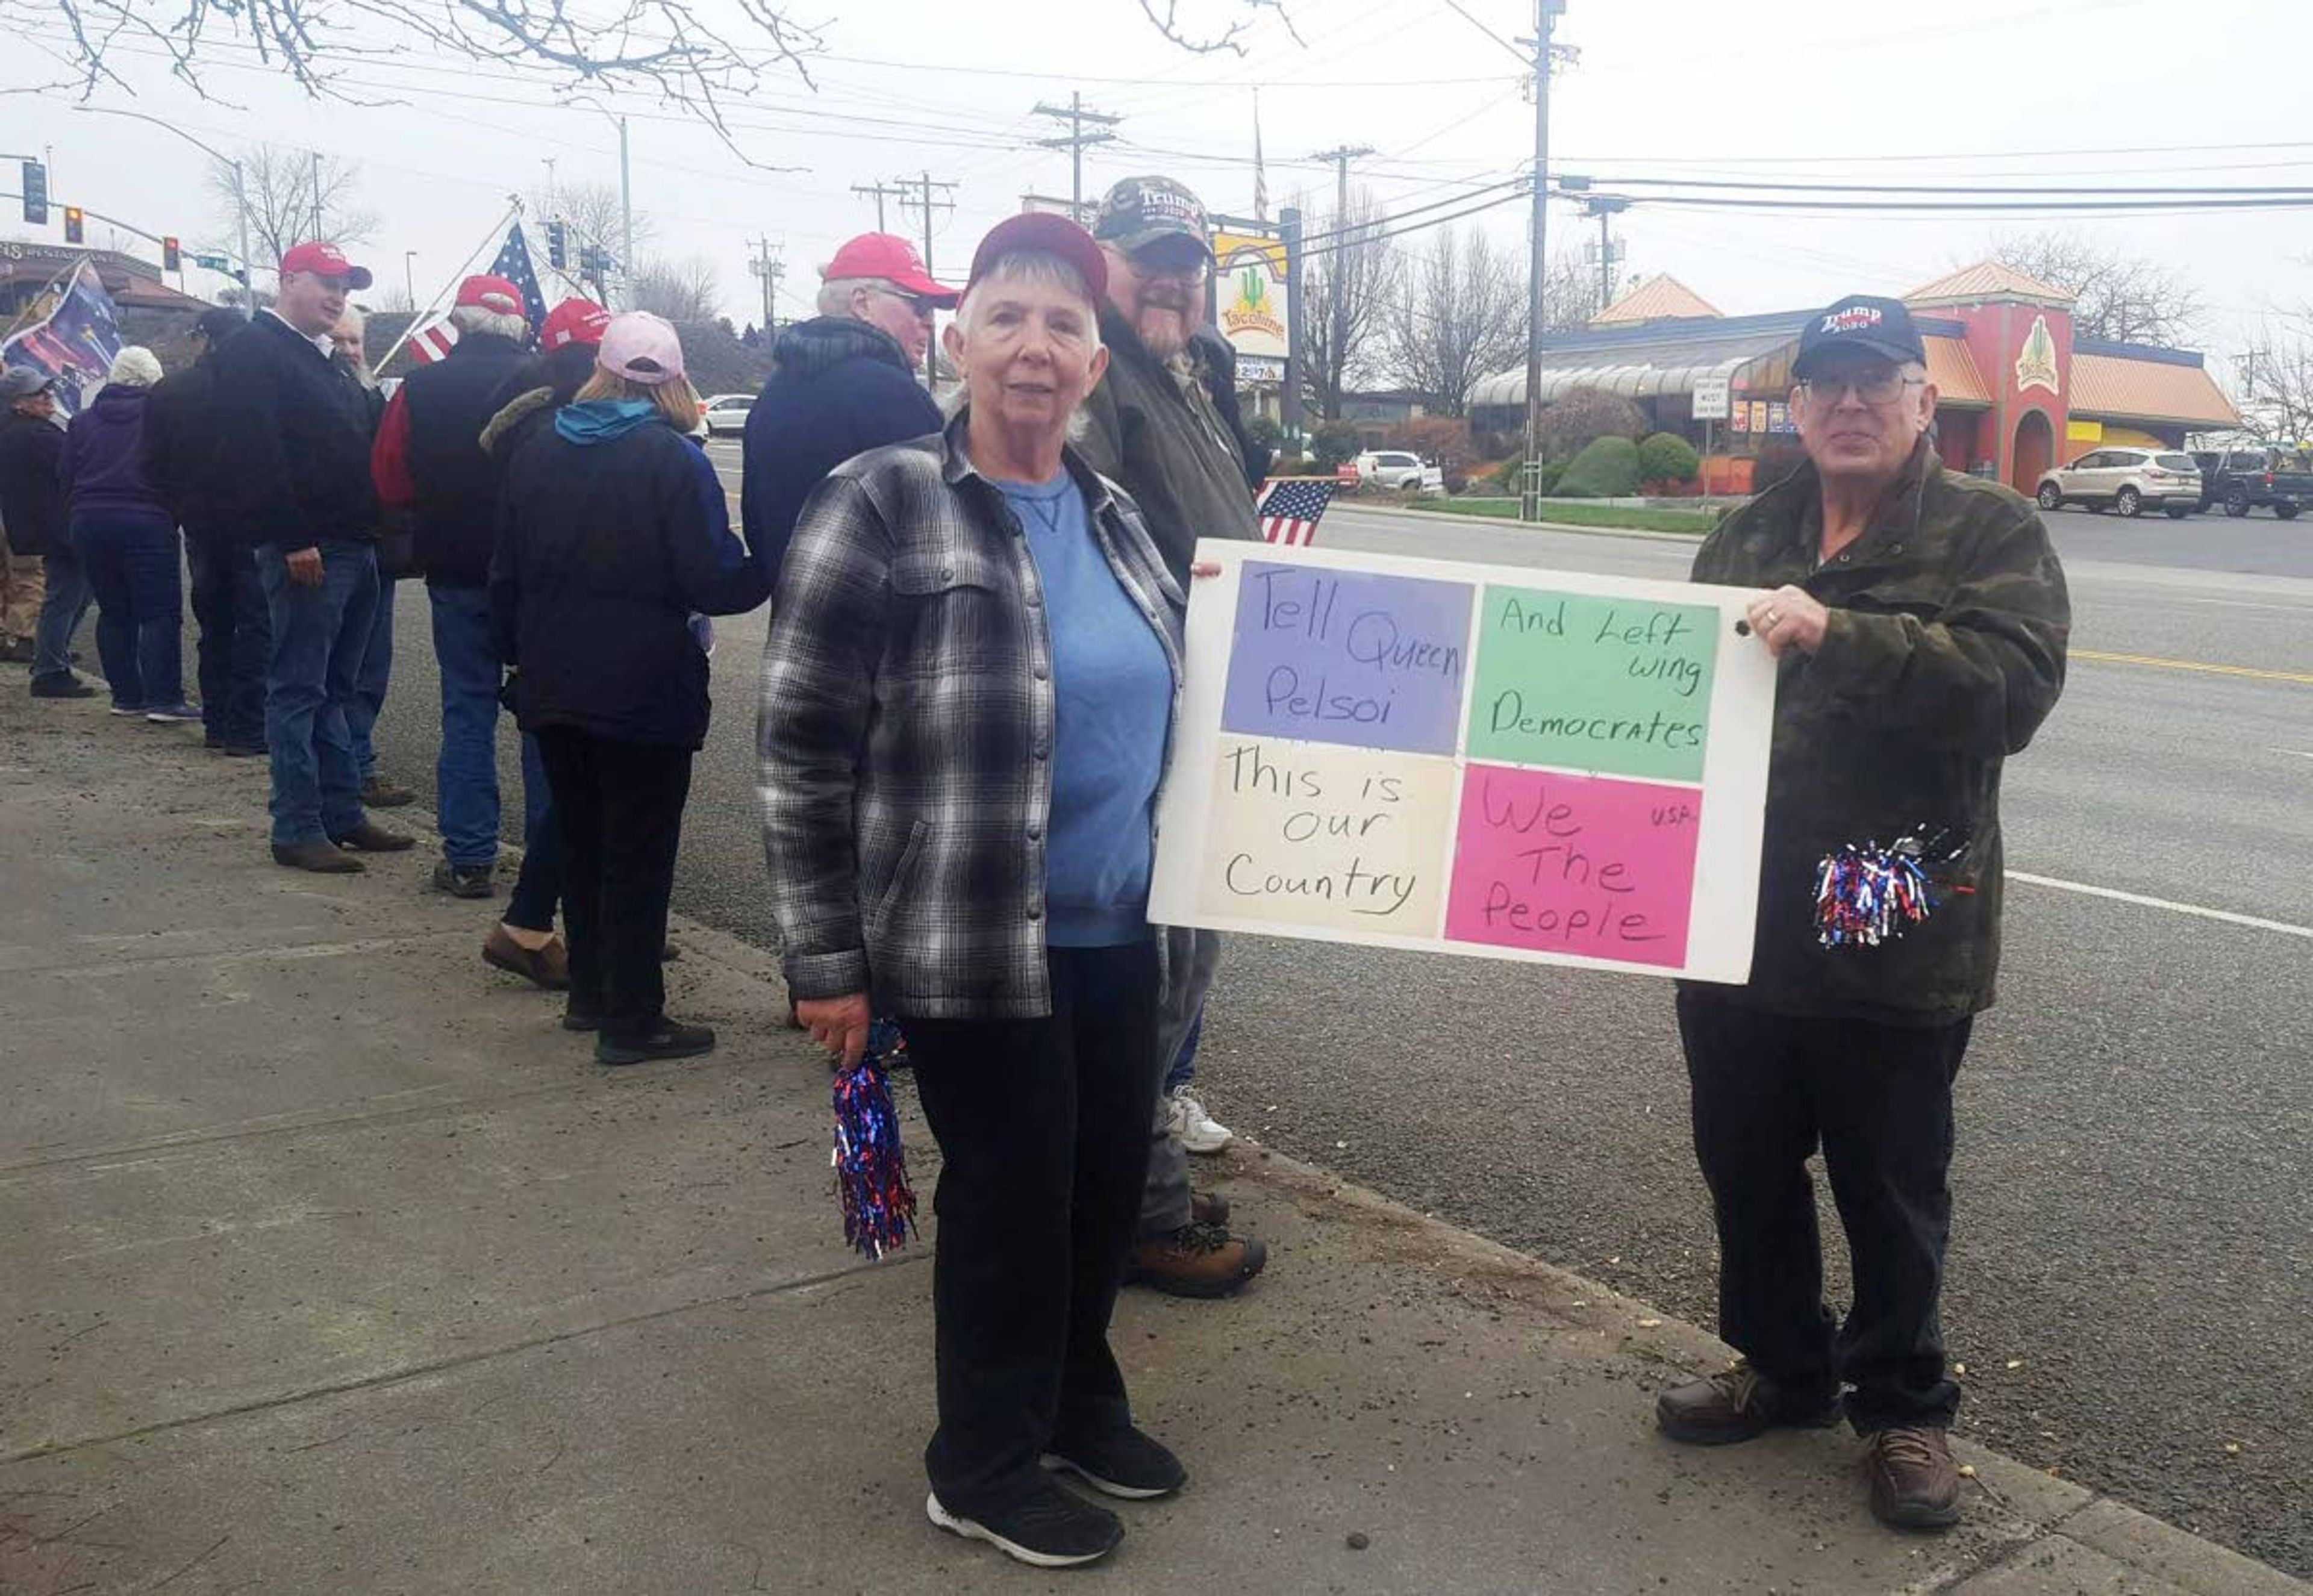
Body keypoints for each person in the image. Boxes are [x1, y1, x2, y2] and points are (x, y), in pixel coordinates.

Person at [763, 214, 1189, 1571]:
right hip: (968, 935)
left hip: (1127, 925)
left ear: (1097, 361)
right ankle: (983, 1460)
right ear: (958, 342)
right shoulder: (882, 495)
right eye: (1007, 317)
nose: (1035, 348)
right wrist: (823, 957)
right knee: (1012, 1193)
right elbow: (800, 739)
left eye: (1065, 325)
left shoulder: (1118, 516)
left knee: (1105, 1184)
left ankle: (1074, 1403)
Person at [1655, 295, 2070, 1532]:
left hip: (1890, 917)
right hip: (1736, 915)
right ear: (1796, 407)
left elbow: (2013, 688)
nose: (1847, 402)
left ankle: (1902, 1404)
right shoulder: (1747, 530)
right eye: (1824, 384)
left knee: (1890, 1179)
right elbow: (1675, 698)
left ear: (1918, 402)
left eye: (1874, 381)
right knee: (1744, 1159)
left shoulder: (1986, 529)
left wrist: (1842, 632)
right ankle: (1781, 1365)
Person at [1078, 173, 1269, 1298]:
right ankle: (1140, 1213)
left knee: (1184, 965)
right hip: (1153, 717)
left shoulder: (1180, 370)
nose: (1174, 278)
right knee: (1153, 976)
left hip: (1209, 703)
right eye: (1150, 255)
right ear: (1102, 256)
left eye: (1190, 264)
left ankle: (1133, 1179)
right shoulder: (1103, 372)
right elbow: (1099, 544)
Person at [492, 313, 767, 1061]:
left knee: (581, 838)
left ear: (601, 372)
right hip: (645, 685)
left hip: (553, 680)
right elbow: (711, 577)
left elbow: (505, 573)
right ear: (674, 381)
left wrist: (514, 660)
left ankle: (590, 990)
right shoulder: (674, 462)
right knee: (639, 852)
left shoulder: (537, 450)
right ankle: (635, 1017)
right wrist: (771, 560)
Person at [214, 240, 411, 873]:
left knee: (338, 688)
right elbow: (254, 451)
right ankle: (296, 825)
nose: (337, 297)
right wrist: (292, 536)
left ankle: (341, 813)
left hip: (357, 545)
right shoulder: (254, 350)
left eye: (345, 288)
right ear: (287, 280)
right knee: (299, 687)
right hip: (312, 548)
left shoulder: (323, 357)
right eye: (325, 282)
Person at [460, 295, 615, 993]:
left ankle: (586, 920)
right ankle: (530, 922)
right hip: (569, 628)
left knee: (570, 781)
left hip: (533, 622)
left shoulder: (523, 422)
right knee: (582, 789)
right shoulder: (565, 432)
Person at [375, 275, 538, 894]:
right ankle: (549, 860)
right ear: (519, 324)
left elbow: (390, 480)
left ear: (460, 321)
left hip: (457, 569)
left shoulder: (420, 386)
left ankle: (470, 857)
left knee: (466, 710)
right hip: (533, 575)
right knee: (542, 713)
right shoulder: (545, 384)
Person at [739, 232, 957, 582]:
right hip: (888, 628)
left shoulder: (773, 394)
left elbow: (758, 526)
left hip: (796, 620)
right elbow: (947, 537)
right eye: (917, 304)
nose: (930, 321)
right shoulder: (894, 397)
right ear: (862, 303)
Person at [146, 308, 269, 754]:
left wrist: (180, 507)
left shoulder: (169, 392)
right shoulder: (259, 389)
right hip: (254, 523)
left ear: (204, 339)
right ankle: (249, 727)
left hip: (200, 522)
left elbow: (150, 466)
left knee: (215, 624)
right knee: (258, 626)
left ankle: (216, 721)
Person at [60, 347, 198, 723]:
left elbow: (66, 474)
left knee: (114, 610)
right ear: (154, 379)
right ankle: (164, 699)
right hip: (146, 518)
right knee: (158, 613)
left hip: (88, 519)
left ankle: (125, 696)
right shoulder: (163, 419)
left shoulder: (82, 422)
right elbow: (178, 470)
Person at [329, 307, 411, 809]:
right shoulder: (318, 401)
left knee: (369, 669)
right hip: (328, 551)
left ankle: (357, 767)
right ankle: (343, 776)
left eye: (355, 342)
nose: (349, 351)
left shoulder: (370, 398)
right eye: (339, 341)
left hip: (376, 551)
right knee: (333, 673)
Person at [0, 368, 93, 698]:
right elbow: (78, 464)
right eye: (38, 393)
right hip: (57, 527)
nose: (47, 396)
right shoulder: (37, 437)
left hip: (39, 527)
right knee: (66, 595)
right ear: (17, 403)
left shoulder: (18, 432)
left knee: (72, 593)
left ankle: (49, 656)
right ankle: (50, 669)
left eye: (47, 391)